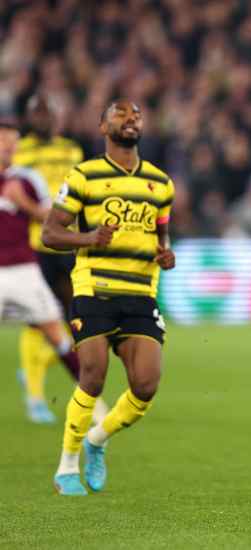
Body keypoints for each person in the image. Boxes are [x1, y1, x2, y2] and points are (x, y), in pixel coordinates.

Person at [43, 100, 176, 495]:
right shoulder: (84, 176)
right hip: (95, 287)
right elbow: (51, 233)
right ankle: (67, 466)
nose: (130, 119)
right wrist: (87, 237)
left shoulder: (161, 184)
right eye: (119, 114)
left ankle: (97, 439)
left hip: (139, 293)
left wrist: (164, 254)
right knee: (93, 374)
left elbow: (161, 238)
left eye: (135, 114)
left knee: (146, 385)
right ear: (102, 126)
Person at [12, 94, 104, 424]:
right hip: (34, 244)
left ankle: (36, 366)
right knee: (37, 318)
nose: (43, 119)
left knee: (76, 319)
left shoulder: (71, 150)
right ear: (30, 117)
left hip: (66, 244)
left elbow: (82, 193)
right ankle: (35, 396)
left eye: (47, 113)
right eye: (37, 113)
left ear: (57, 116)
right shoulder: (20, 152)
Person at [0, 119, 82, 416]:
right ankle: (34, 393)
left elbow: (48, 217)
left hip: (27, 265)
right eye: (4, 140)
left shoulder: (27, 179)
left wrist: (24, 203)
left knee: (57, 328)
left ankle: (88, 396)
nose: (9, 146)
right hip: (21, 262)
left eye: (13, 141)